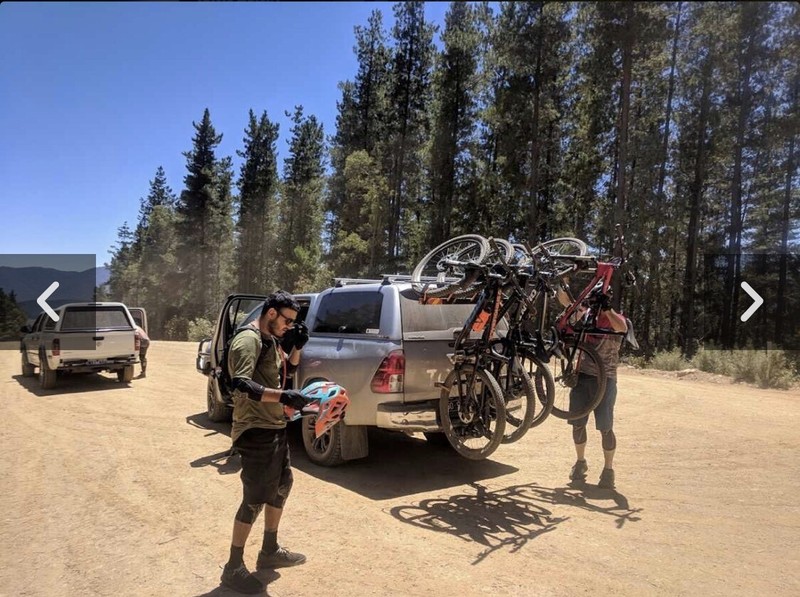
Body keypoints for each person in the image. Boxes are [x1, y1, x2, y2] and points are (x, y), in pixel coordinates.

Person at [219, 290, 312, 594]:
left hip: (274, 425)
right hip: (255, 429)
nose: (289, 326)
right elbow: (241, 384)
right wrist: (284, 397)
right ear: (271, 313)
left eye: (293, 322)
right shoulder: (248, 340)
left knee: (282, 485)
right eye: (287, 320)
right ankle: (233, 567)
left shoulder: (271, 339)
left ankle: (269, 550)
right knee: (255, 497)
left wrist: (297, 346)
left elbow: (288, 372)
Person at [560, 287, 631, 491]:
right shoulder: (586, 317)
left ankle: (608, 470)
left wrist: (607, 309)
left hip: (606, 379)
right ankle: (580, 462)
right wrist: (564, 287)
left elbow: (622, 327)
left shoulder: (616, 318)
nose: (595, 304)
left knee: (605, 427)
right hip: (582, 376)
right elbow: (566, 313)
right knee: (577, 424)